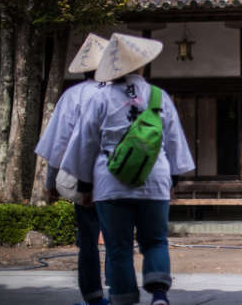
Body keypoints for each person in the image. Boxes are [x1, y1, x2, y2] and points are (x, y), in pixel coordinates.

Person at [61, 33, 195, 305]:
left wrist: (85, 186)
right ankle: (158, 294)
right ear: (142, 65)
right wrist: (172, 178)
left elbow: (85, 144)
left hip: (110, 184)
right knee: (156, 240)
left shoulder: (100, 98)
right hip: (153, 180)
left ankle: (123, 300)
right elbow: (174, 141)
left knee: (118, 248)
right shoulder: (159, 96)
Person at [34, 33, 110, 305]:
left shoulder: (73, 96)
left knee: (88, 239)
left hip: (82, 176)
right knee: (117, 237)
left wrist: (51, 181)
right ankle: (120, 290)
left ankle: (93, 296)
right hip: (117, 178)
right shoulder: (122, 94)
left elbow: (58, 143)